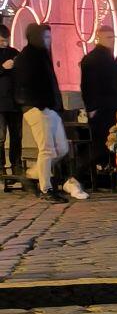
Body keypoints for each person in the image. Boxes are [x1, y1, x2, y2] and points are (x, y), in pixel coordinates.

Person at [14, 22, 86, 199]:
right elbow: (25, 84)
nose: (49, 40)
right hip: (38, 107)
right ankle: (46, 189)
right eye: (45, 37)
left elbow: (50, 82)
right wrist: (40, 103)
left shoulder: (42, 55)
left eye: (49, 36)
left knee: (61, 148)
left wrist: (56, 105)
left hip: (49, 107)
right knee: (47, 150)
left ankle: (32, 174)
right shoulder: (27, 57)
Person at [78, 24, 117, 180]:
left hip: (110, 107)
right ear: (99, 38)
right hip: (105, 108)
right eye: (108, 37)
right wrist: (92, 107)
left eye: (112, 38)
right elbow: (88, 85)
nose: (111, 41)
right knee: (103, 144)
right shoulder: (97, 60)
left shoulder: (107, 59)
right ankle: (77, 174)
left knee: (110, 143)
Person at [0, 18, 23, 189]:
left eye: (6, 39)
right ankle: (2, 170)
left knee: (16, 137)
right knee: (0, 138)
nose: (4, 42)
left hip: (15, 103)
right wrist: (3, 68)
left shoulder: (14, 52)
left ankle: (16, 167)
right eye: (1, 40)